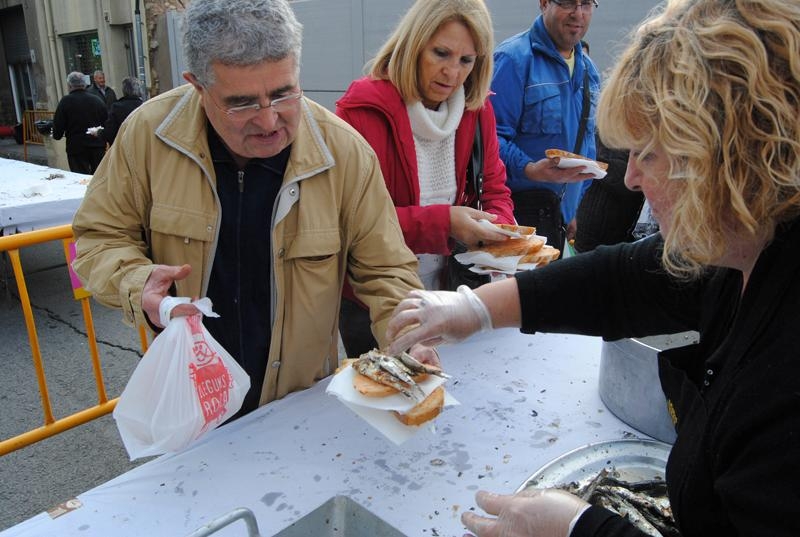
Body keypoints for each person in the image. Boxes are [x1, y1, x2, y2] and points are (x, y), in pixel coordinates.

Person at [386, 0, 800, 535]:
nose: (630, 181)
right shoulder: (749, 247)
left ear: (730, 160)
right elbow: (623, 279)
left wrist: (578, 530)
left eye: (649, 154)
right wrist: (474, 308)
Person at [71, 0, 428, 418]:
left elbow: (386, 271)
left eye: (283, 93)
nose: (269, 120)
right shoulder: (148, 136)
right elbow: (99, 236)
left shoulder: (344, 152)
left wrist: (412, 336)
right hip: (189, 403)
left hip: (298, 406)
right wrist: (136, 281)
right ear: (197, 86)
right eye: (241, 103)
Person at [334, 0, 515, 357]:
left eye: (466, 60)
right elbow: (349, 223)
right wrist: (444, 222)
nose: (452, 73)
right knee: (387, 402)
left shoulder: (478, 111)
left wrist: (501, 232)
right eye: (442, 53)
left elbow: (494, 188)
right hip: (374, 299)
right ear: (414, 44)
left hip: (452, 289)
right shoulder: (359, 111)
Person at [490, 0, 601, 250]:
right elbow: (488, 140)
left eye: (586, 4)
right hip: (515, 219)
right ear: (543, 3)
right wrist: (528, 168)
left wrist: (572, 207)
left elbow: (587, 146)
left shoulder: (589, 71)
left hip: (558, 220)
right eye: (568, 3)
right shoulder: (513, 60)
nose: (578, 13)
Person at [573, 137, 643, 252]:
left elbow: (628, 183)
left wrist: (592, 162)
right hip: (588, 233)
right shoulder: (602, 130)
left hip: (616, 237)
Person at [52, 71, 108, 174]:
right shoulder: (97, 100)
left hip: (76, 148)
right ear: (85, 84)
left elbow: (57, 130)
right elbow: (106, 123)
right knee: (98, 178)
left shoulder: (65, 102)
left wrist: (56, 133)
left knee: (80, 179)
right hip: (97, 146)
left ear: (69, 85)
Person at [102, 76, 144, 145]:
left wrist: (100, 133)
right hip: (142, 145)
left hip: (123, 146)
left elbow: (110, 132)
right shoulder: (144, 105)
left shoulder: (117, 107)